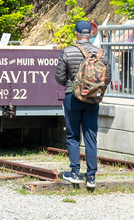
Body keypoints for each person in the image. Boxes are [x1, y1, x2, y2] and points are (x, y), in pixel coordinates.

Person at [55, 20, 111, 188]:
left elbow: (59, 78)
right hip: (93, 99)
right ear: (90, 34)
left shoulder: (68, 52)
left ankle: (74, 172)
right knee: (91, 136)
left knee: (73, 136)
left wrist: (73, 84)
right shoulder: (100, 53)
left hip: (72, 97)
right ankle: (91, 176)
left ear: (76, 33)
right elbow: (106, 78)